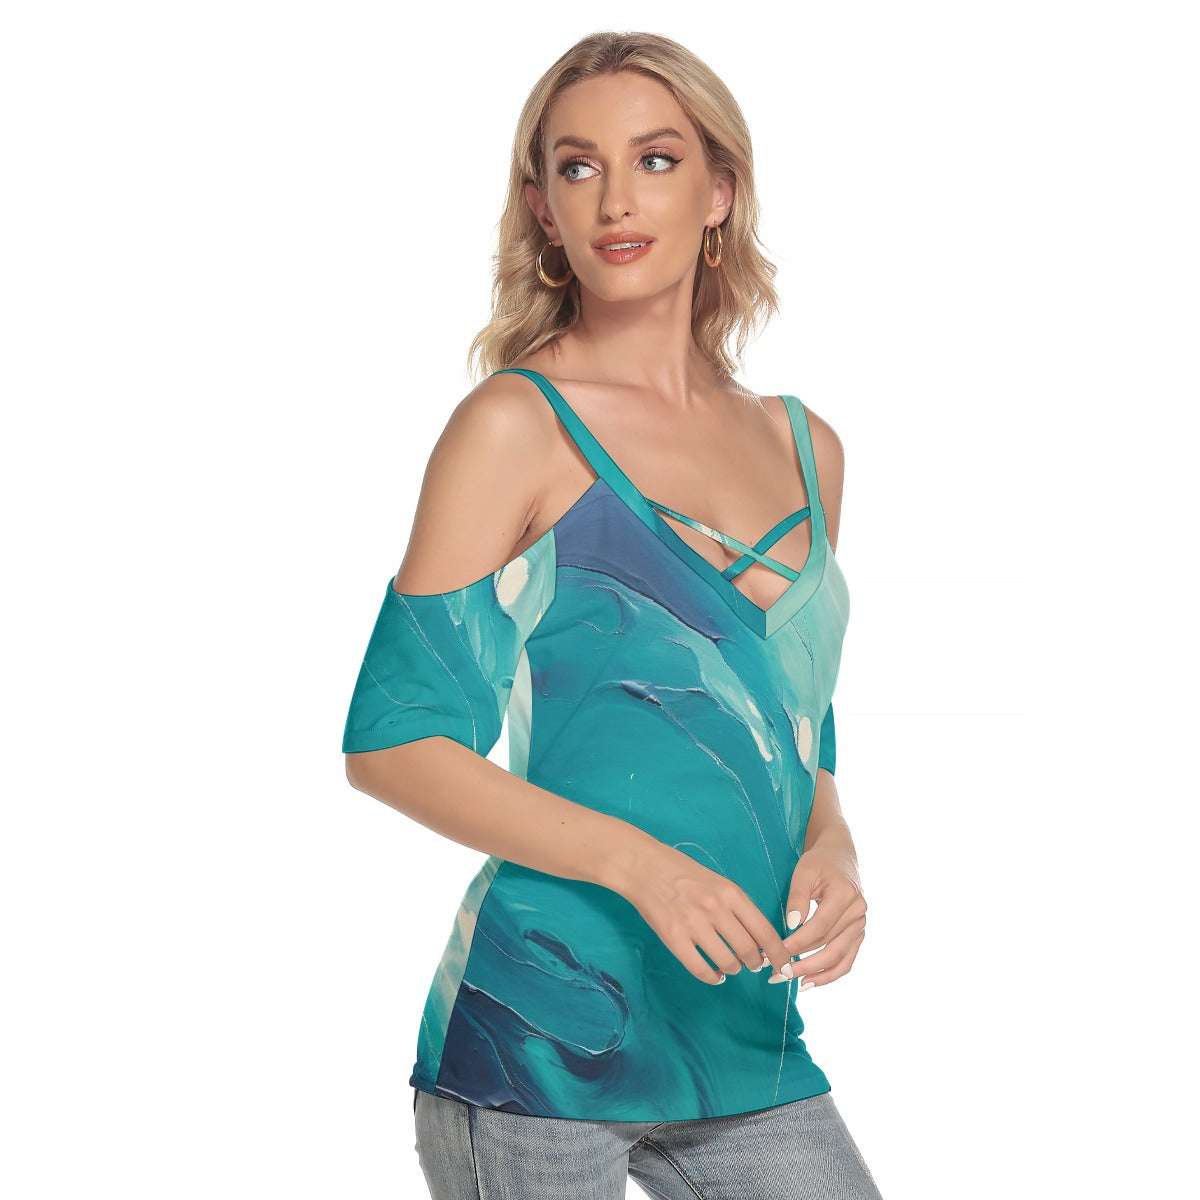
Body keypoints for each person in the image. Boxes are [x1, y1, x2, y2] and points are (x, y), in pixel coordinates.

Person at [341, 30, 883, 1200]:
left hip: (747, 1035)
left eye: (656, 159)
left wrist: (832, 844)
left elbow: (795, 720)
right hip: (538, 1042)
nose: (616, 198)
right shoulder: (515, 426)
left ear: (719, 192)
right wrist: (643, 869)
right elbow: (392, 743)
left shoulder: (807, 447)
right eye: (578, 167)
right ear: (543, 206)